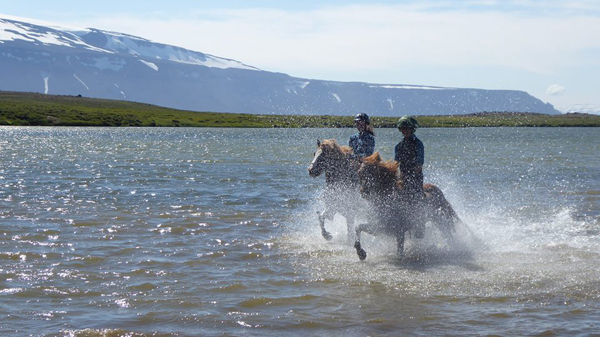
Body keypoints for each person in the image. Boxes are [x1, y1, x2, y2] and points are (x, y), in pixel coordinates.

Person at [394, 115, 424, 196]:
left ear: (411, 129)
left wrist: (410, 176)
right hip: (402, 177)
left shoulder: (418, 144)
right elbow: (396, 164)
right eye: (403, 128)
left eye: (407, 128)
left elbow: (419, 164)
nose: (405, 130)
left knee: (416, 196)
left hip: (415, 177)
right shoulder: (398, 146)